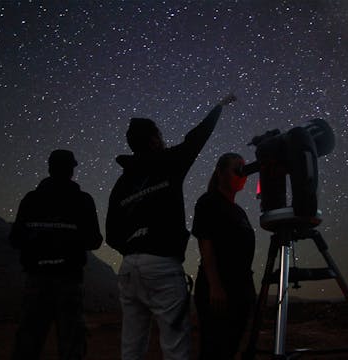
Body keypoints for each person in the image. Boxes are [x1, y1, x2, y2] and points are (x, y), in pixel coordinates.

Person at [105, 94, 237, 360]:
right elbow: (196, 139)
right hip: (162, 266)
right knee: (175, 346)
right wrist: (218, 107)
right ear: (154, 139)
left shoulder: (122, 183)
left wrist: (134, 246)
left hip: (129, 268)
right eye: (160, 135)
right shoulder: (169, 161)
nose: (163, 139)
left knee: (132, 347)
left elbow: (111, 232)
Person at [9, 149, 103, 360]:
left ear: (49, 168)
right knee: (71, 342)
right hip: (69, 279)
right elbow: (95, 240)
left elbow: (15, 239)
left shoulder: (31, 199)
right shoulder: (83, 200)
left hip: (36, 278)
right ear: (72, 170)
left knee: (27, 341)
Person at [192, 153, 256, 360]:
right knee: (214, 350)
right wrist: (215, 285)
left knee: (230, 348)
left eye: (244, 168)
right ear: (220, 173)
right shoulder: (208, 202)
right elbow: (206, 245)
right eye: (237, 168)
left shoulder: (239, 211)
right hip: (219, 289)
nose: (243, 172)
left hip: (241, 287)